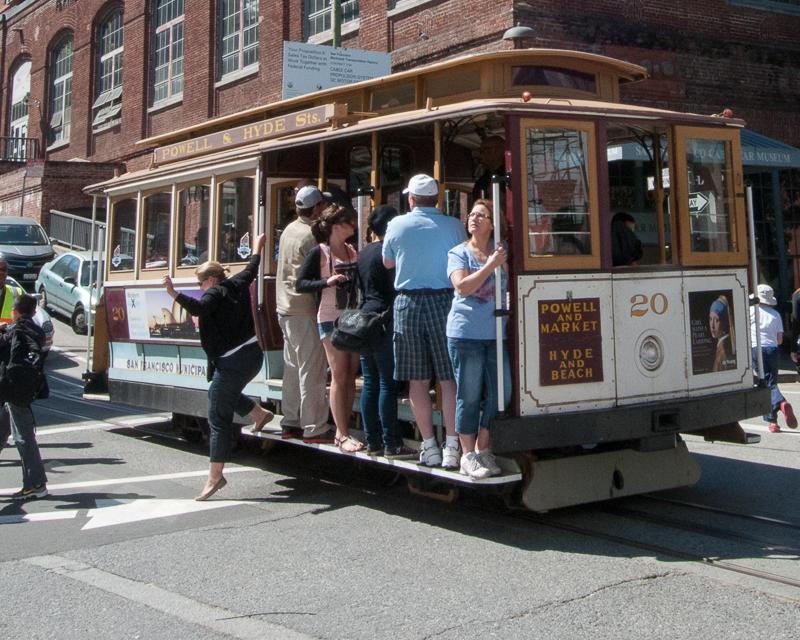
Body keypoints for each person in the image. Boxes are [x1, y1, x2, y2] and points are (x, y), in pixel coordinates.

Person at [162, 233, 274, 501]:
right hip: (251, 356)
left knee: (218, 419)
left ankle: (215, 477)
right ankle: (258, 413)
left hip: (233, 362)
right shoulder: (236, 283)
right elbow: (252, 267)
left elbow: (199, 308)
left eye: (200, 282)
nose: (200, 287)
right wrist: (258, 247)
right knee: (217, 392)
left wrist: (173, 293)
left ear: (210, 280)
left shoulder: (213, 293)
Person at [383, 174, 467, 468]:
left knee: (416, 379)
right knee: (448, 377)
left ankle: (429, 445)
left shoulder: (396, 225)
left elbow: (388, 262)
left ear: (410, 199)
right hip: (445, 300)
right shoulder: (455, 225)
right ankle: (453, 445)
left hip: (408, 302)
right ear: (437, 199)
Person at [447, 199, 509, 478]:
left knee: (502, 392)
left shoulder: (502, 253)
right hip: (466, 333)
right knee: (469, 395)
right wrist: (491, 266)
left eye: (481, 215)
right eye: (471, 214)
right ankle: (467, 455)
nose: (473, 219)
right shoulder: (458, 253)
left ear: (493, 223)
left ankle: (484, 448)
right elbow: (462, 287)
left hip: (496, 333)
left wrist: (501, 264)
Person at [296, 205, 364, 452]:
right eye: (350, 223)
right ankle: (342, 433)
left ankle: (342, 430)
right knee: (339, 374)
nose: (354, 227)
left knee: (350, 375)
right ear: (337, 226)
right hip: (329, 317)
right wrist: (328, 281)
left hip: (352, 317)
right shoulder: (320, 253)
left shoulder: (351, 251)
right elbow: (301, 283)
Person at [357, 205, 416, 459]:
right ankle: (391, 442)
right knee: (386, 383)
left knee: (370, 382)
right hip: (384, 320)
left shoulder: (364, 253)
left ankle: (372, 441)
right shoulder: (388, 253)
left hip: (364, 320)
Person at [276, 184, 333, 442]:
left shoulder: (289, 229)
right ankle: (314, 427)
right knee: (312, 370)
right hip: (304, 309)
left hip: (285, 307)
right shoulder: (310, 235)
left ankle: (290, 421)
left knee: (292, 367)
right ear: (317, 207)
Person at [0, 294, 48, 500]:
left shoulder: (16, 331)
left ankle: (36, 483)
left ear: (15, 311)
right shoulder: (36, 330)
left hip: (13, 391)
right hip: (22, 391)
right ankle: (35, 482)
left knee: (23, 438)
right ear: (34, 312)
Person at [750, 284, 797, 433]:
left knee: (765, 384)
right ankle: (772, 421)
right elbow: (780, 340)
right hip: (772, 349)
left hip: (756, 347)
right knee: (771, 382)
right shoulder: (775, 315)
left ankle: (780, 405)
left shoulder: (750, 312)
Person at [472, 135, 506, 201]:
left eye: (487, 150)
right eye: (481, 151)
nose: (481, 155)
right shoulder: (481, 181)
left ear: (500, 150)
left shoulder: (510, 176)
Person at [709, 295, 736, 372]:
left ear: (724, 322)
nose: (712, 326)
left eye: (717, 320)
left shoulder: (723, 350)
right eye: (710, 319)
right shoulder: (722, 346)